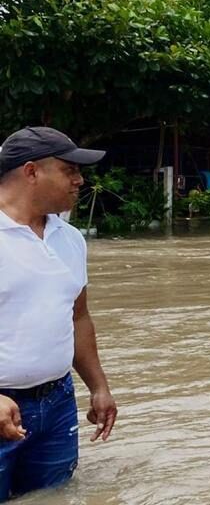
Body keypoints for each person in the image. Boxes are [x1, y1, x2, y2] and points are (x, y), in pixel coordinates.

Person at [0, 127, 117, 501]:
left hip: (57, 404)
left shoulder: (69, 238)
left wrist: (98, 386)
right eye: (69, 170)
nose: (80, 180)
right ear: (31, 172)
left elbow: (78, 316)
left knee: (53, 497)